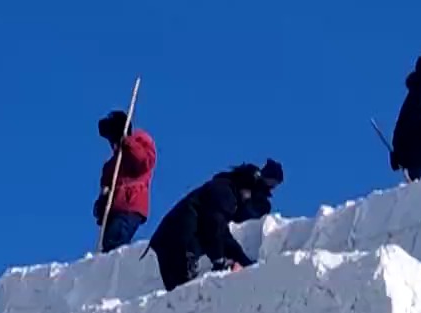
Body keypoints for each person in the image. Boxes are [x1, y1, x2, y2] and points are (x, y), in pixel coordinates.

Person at [146, 161, 283, 293]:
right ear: (245, 187)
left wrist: (245, 262)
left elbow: (224, 236)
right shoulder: (225, 193)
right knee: (181, 291)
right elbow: (213, 227)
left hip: (171, 240)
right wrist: (218, 259)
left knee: (179, 293)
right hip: (177, 240)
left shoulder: (226, 193)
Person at [93, 109, 157, 252]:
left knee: (114, 242)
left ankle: (117, 270)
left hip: (130, 204)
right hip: (115, 210)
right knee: (108, 244)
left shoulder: (139, 142)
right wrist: (102, 203)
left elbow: (143, 161)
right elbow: (105, 187)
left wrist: (126, 140)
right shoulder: (111, 166)